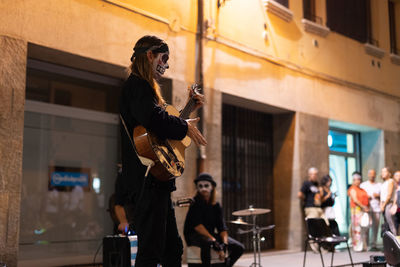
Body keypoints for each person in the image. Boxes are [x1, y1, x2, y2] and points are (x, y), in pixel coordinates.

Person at [117, 35, 207, 267]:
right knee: (151, 251)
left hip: (156, 181)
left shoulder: (145, 89)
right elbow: (157, 121)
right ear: (150, 55)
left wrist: (187, 109)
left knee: (172, 249)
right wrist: (184, 126)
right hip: (146, 181)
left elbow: (162, 132)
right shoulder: (137, 85)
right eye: (163, 58)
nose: (165, 64)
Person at [184, 173, 244, 267]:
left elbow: (222, 227)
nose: (203, 189)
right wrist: (214, 242)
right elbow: (198, 226)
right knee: (207, 243)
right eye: (200, 186)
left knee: (239, 247)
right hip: (194, 235)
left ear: (212, 187)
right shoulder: (194, 203)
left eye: (206, 185)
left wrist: (224, 243)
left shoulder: (216, 205)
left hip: (210, 234)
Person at [360, 169, 381, 250]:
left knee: (375, 227)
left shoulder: (379, 185)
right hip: (367, 209)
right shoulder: (363, 185)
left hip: (377, 208)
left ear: (375, 175)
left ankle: (374, 244)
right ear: (368, 175)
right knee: (366, 226)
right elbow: (361, 196)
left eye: (374, 174)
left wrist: (378, 196)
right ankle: (366, 244)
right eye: (371, 174)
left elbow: (383, 196)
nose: (372, 175)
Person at [348, 172, 369, 252]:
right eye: (356, 180)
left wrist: (366, 207)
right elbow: (355, 200)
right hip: (356, 210)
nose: (357, 181)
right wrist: (363, 207)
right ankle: (357, 246)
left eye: (359, 179)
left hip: (363, 211)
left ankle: (364, 246)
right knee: (357, 229)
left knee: (364, 228)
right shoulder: (352, 189)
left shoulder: (362, 189)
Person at [380, 166, 397, 235]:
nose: (382, 173)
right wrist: (381, 204)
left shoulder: (391, 181)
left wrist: (383, 205)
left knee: (391, 223)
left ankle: (396, 242)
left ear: (389, 173)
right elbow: (382, 196)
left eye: (384, 171)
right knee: (386, 224)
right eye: (382, 172)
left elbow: (389, 195)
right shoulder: (383, 183)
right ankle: (389, 242)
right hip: (383, 204)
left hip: (388, 204)